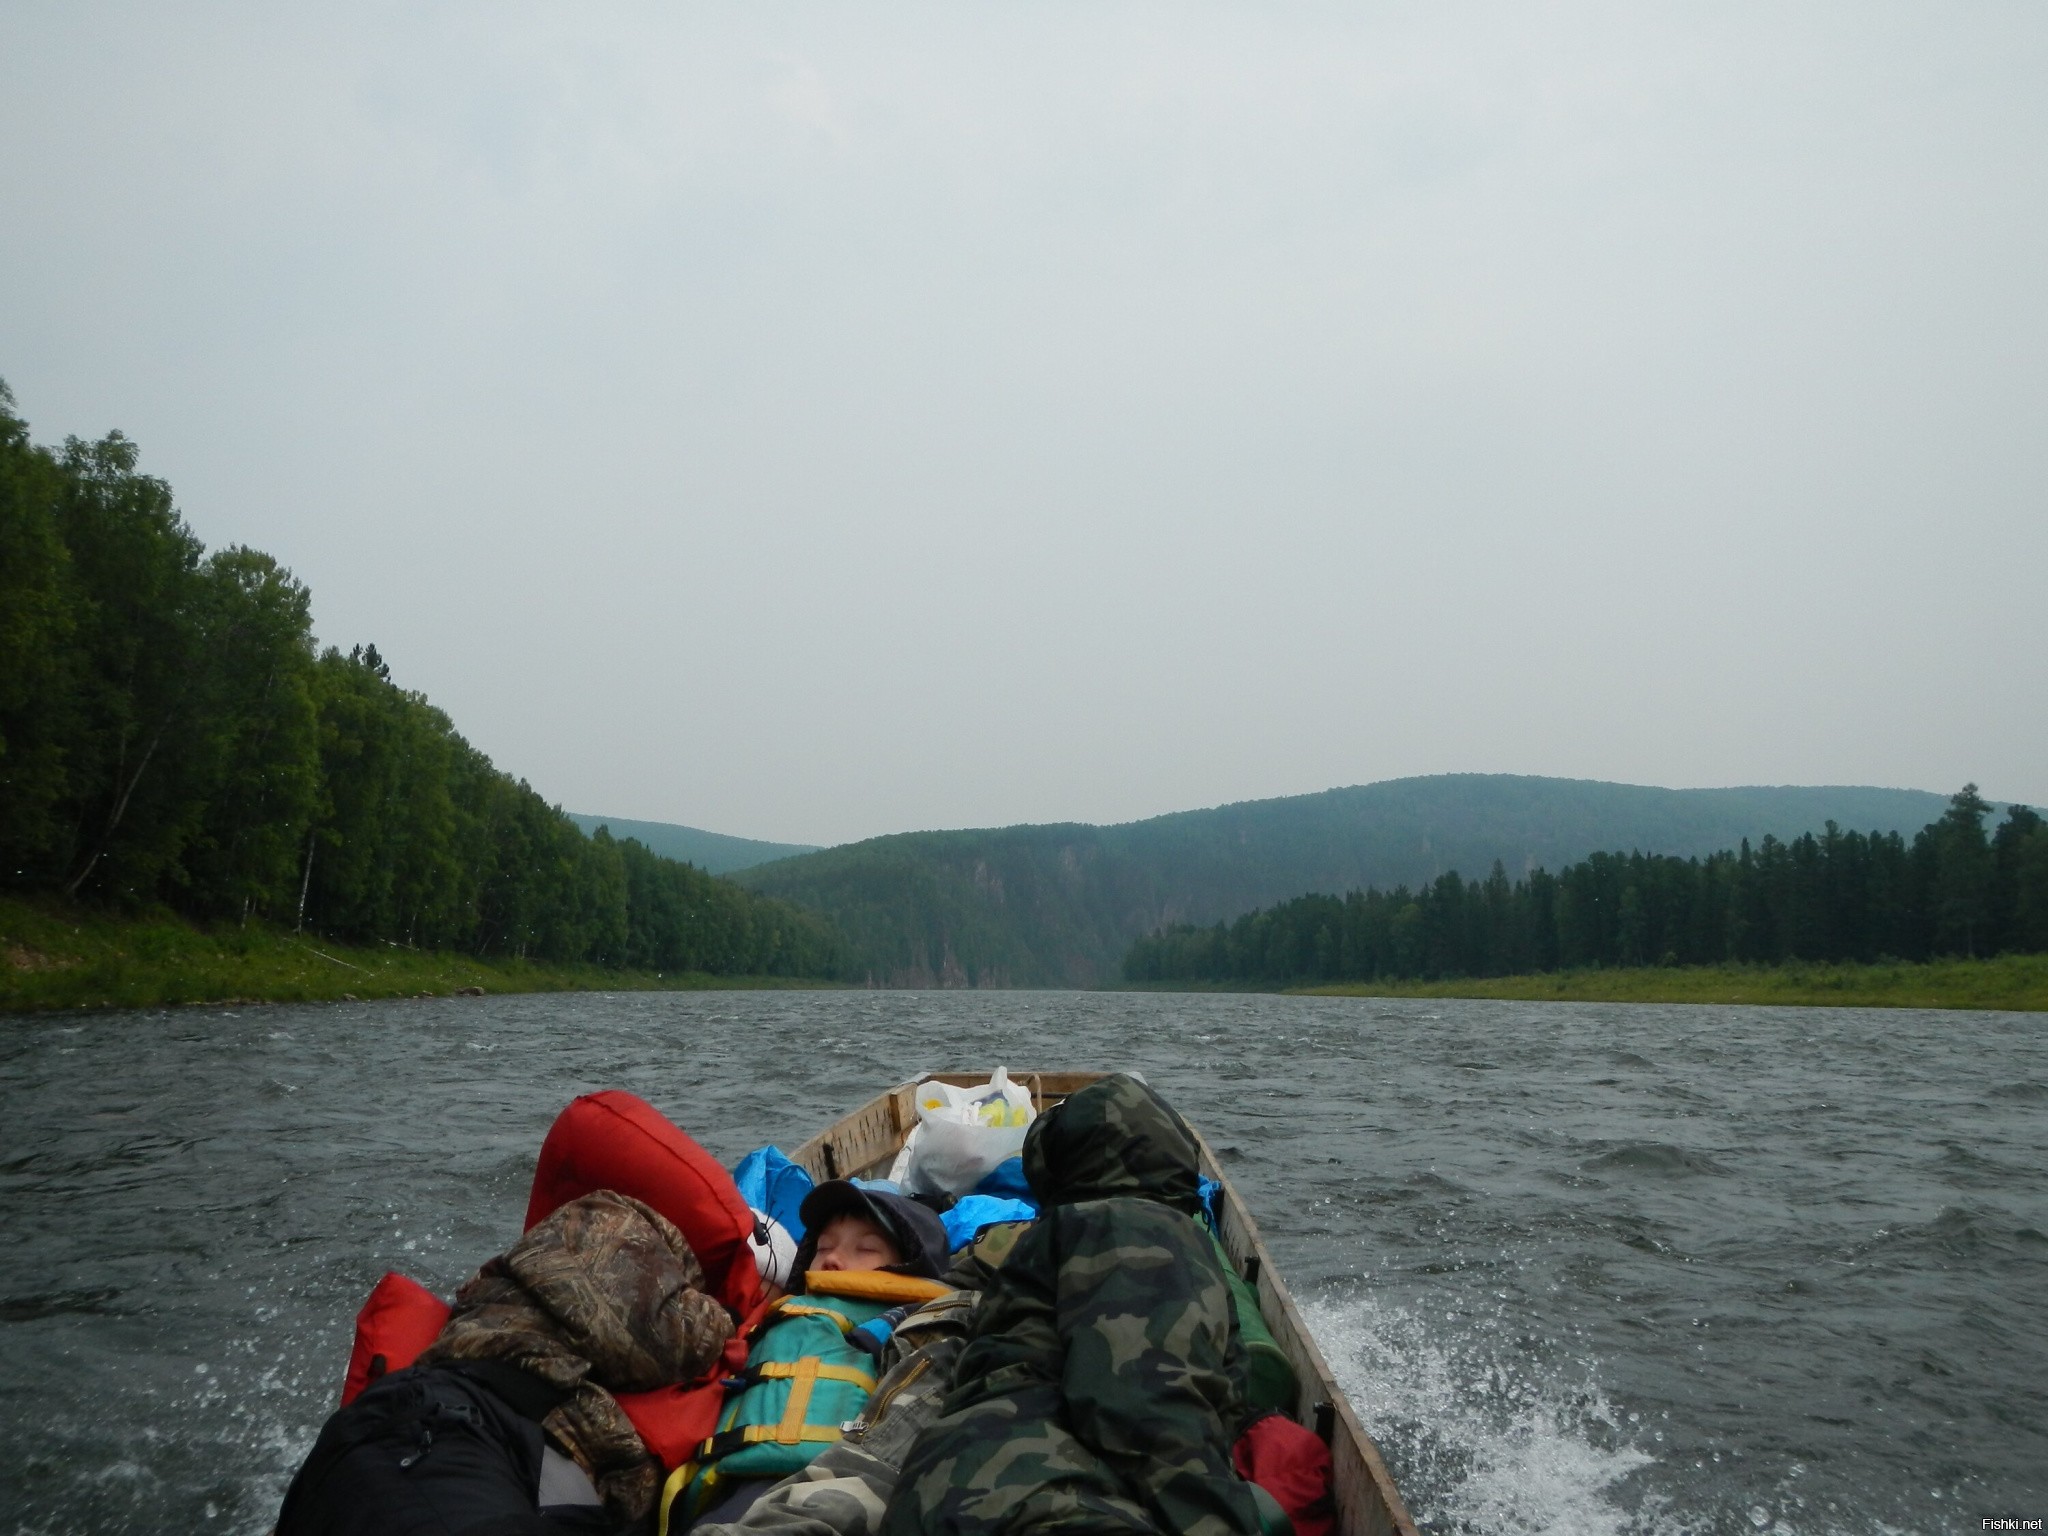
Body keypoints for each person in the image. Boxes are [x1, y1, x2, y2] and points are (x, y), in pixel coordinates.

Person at [877, 1073, 1268, 1536]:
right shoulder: (1135, 1228)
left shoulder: (1056, 1235)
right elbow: (1142, 1400)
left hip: (952, 1486)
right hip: (1033, 1491)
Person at [276, 1189, 736, 1536]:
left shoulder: (529, 1269)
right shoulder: (611, 1226)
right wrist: (735, 1312)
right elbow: (673, 1341)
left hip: (397, 1434)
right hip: (463, 1435)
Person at [671, 1181, 950, 1531]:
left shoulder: (909, 1322)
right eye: (823, 1247)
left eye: (866, 1249)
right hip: (727, 1484)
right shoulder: (777, 1316)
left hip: (827, 1487)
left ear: (910, 1266)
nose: (831, 1258)